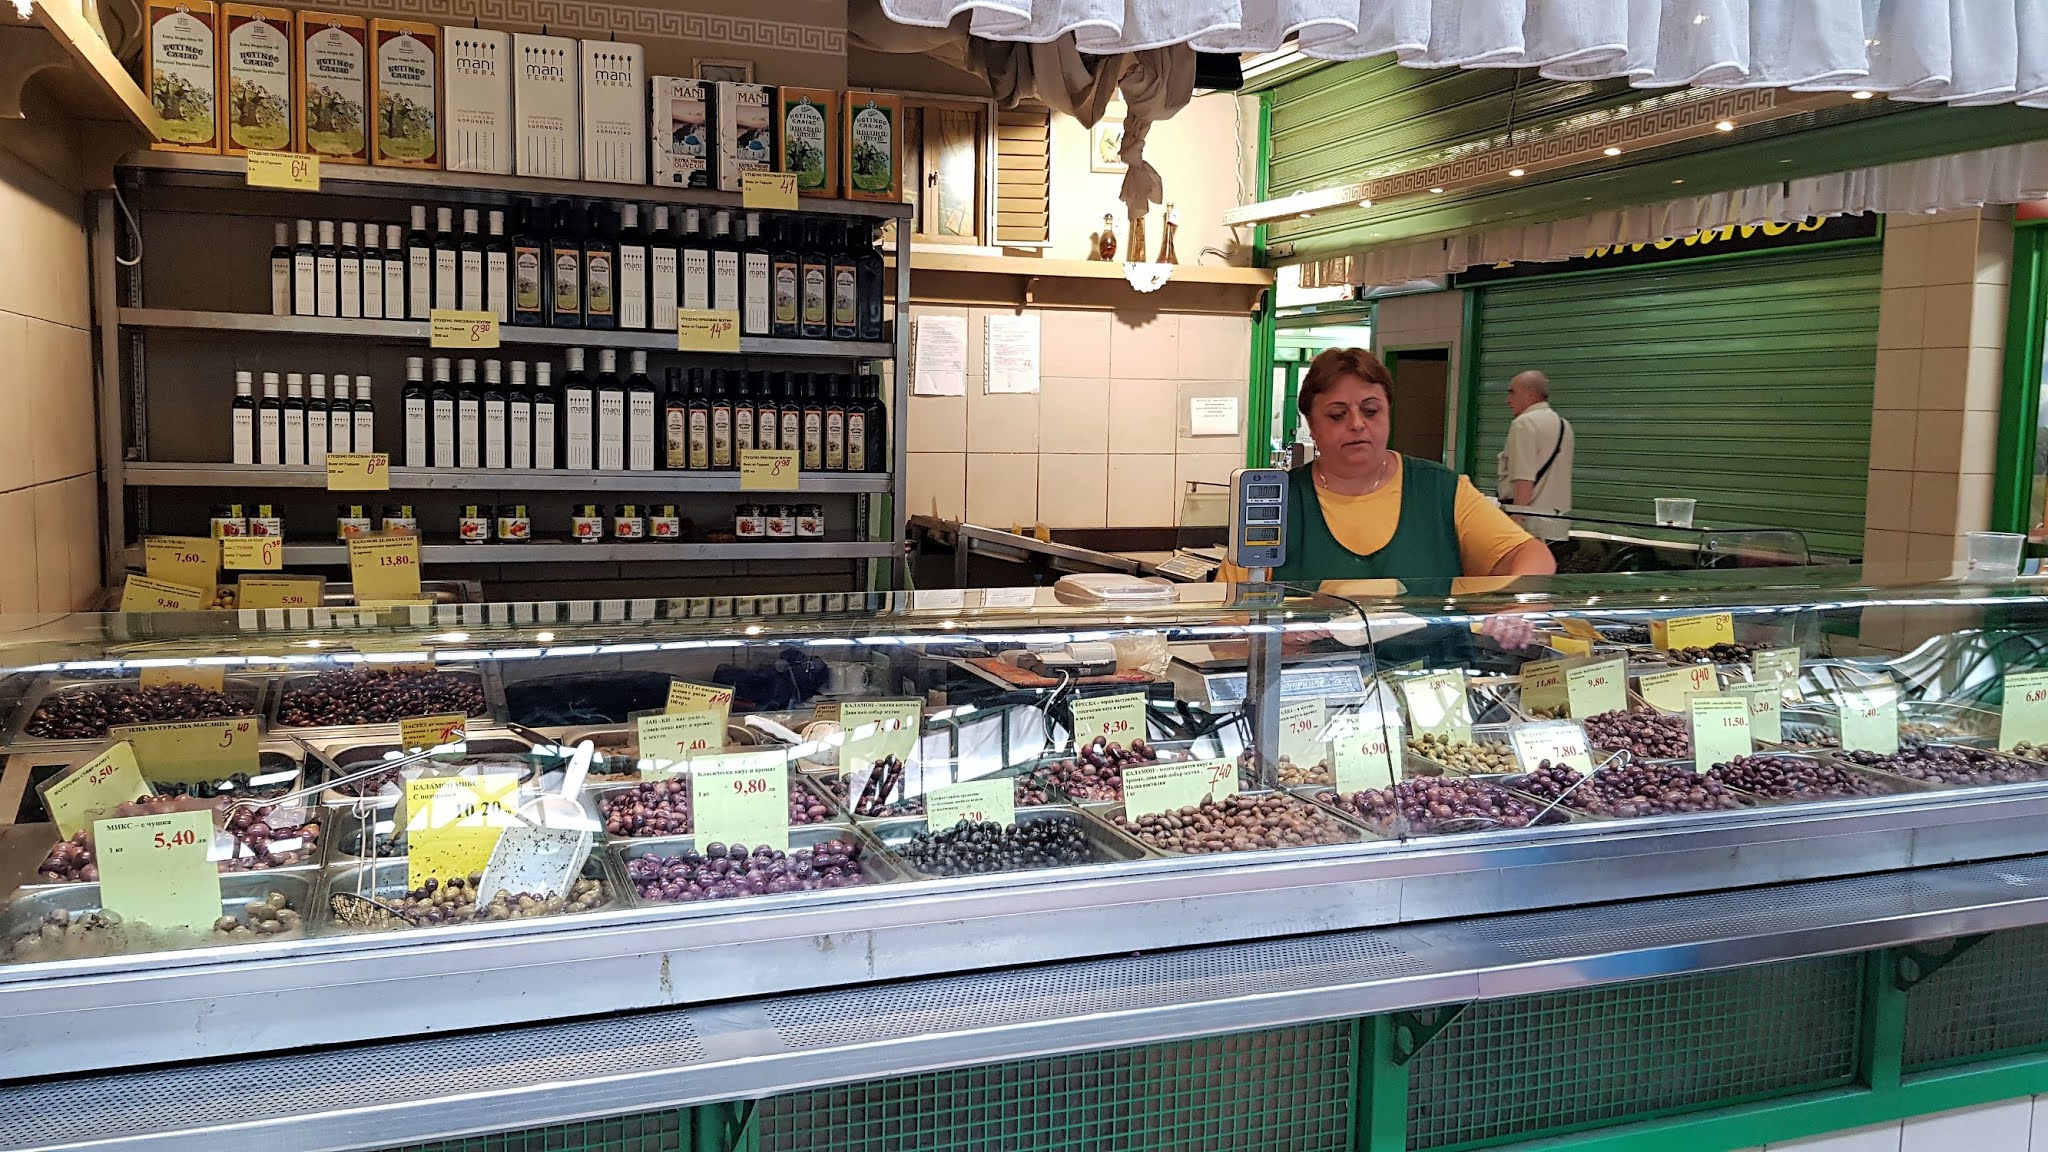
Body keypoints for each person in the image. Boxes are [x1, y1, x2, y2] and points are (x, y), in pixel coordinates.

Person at [1219, 347, 1555, 595]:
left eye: (1371, 411)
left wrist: (1519, 609)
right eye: (1337, 415)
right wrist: (1268, 632)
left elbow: (1531, 556)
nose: (1357, 425)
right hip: (1310, 683)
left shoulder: (1442, 490)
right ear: (1311, 425)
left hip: (1431, 683)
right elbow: (1229, 623)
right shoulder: (1276, 502)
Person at [1498, 370, 1574, 515]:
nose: (1508, 400)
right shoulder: (1564, 425)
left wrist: (1517, 519)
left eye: (1512, 392)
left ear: (1530, 394)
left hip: (1529, 522)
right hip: (1556, 523)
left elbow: (1523, 479)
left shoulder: (1523, 423)